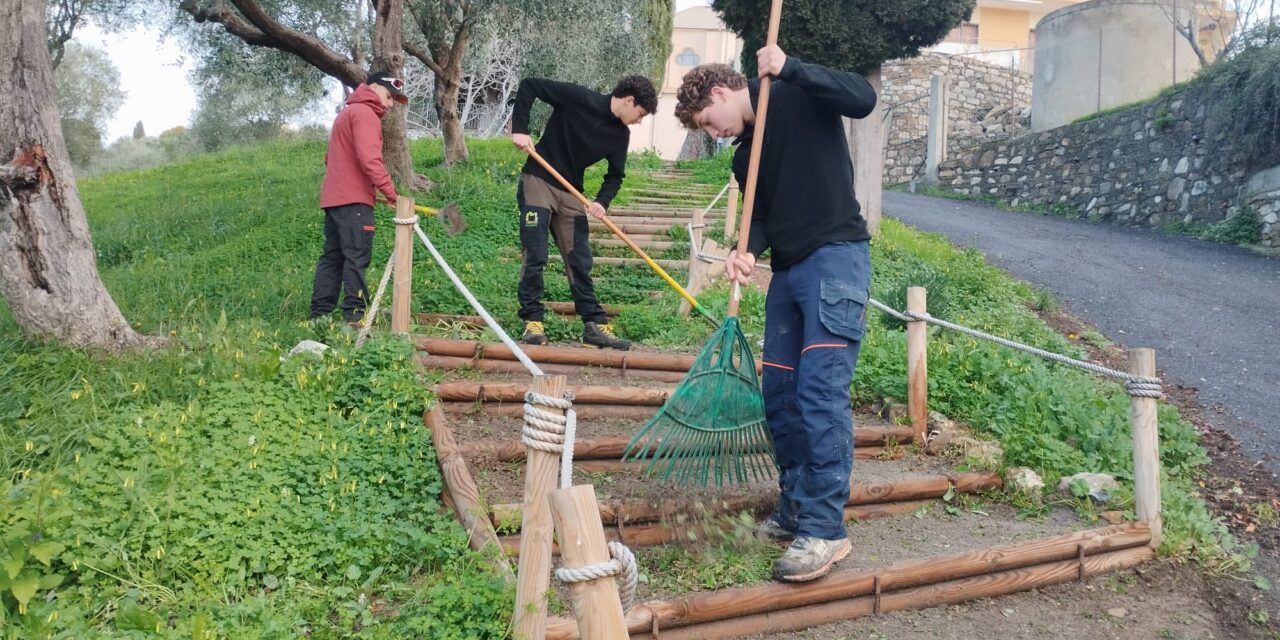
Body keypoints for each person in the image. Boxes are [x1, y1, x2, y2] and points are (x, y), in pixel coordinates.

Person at [674, 46, 877, 582]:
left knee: (819, 393)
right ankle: (795, 507)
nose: (713, 133)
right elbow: (760, 216)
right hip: (786, 276)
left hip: (835, 259)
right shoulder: (745, 156)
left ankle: (826, 528)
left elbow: (863, 98)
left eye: (708, 121)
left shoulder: (794, 93)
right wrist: (747, 251)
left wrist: (792, 69)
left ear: (720, 92)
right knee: (782, 396)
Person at [509, 74, 658, 350]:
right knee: (536, 253)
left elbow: (615, 176)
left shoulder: (620, 135)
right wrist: (520, 128)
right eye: (640, 114)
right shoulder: (578, 98)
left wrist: (602, 201)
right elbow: (530, 85)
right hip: (539, 179)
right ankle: (532, 319)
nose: (638, 121)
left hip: (571, 192)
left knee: (579, 258)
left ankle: (593, 326)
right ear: (629, 100)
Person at [310, 70, 407, 324]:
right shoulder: (366, 114)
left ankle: (319, 317)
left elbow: (330, 159)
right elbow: (370, 160)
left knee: (332, 258)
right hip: (355, 204)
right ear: (373, 88)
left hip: (334, 201)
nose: (390, 104)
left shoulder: (346, 113)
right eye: (389, 96)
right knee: (356, 258)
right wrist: (392, 194)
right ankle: (354, 318)